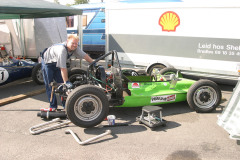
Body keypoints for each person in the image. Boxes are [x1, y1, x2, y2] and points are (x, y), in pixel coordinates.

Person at [41, 35, 94, 111]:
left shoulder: (75, 48)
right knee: (50, 85)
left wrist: (94, 63)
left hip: (56, 61)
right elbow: (63, 68)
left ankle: (66, 106)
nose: (75, 45)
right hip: (47, 62)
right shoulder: (62, 50)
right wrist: (67, 82)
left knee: (62, 85)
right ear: (67, 41)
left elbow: (85, 56)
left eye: (76, 43)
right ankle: (53, 106)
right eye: (73, 43)